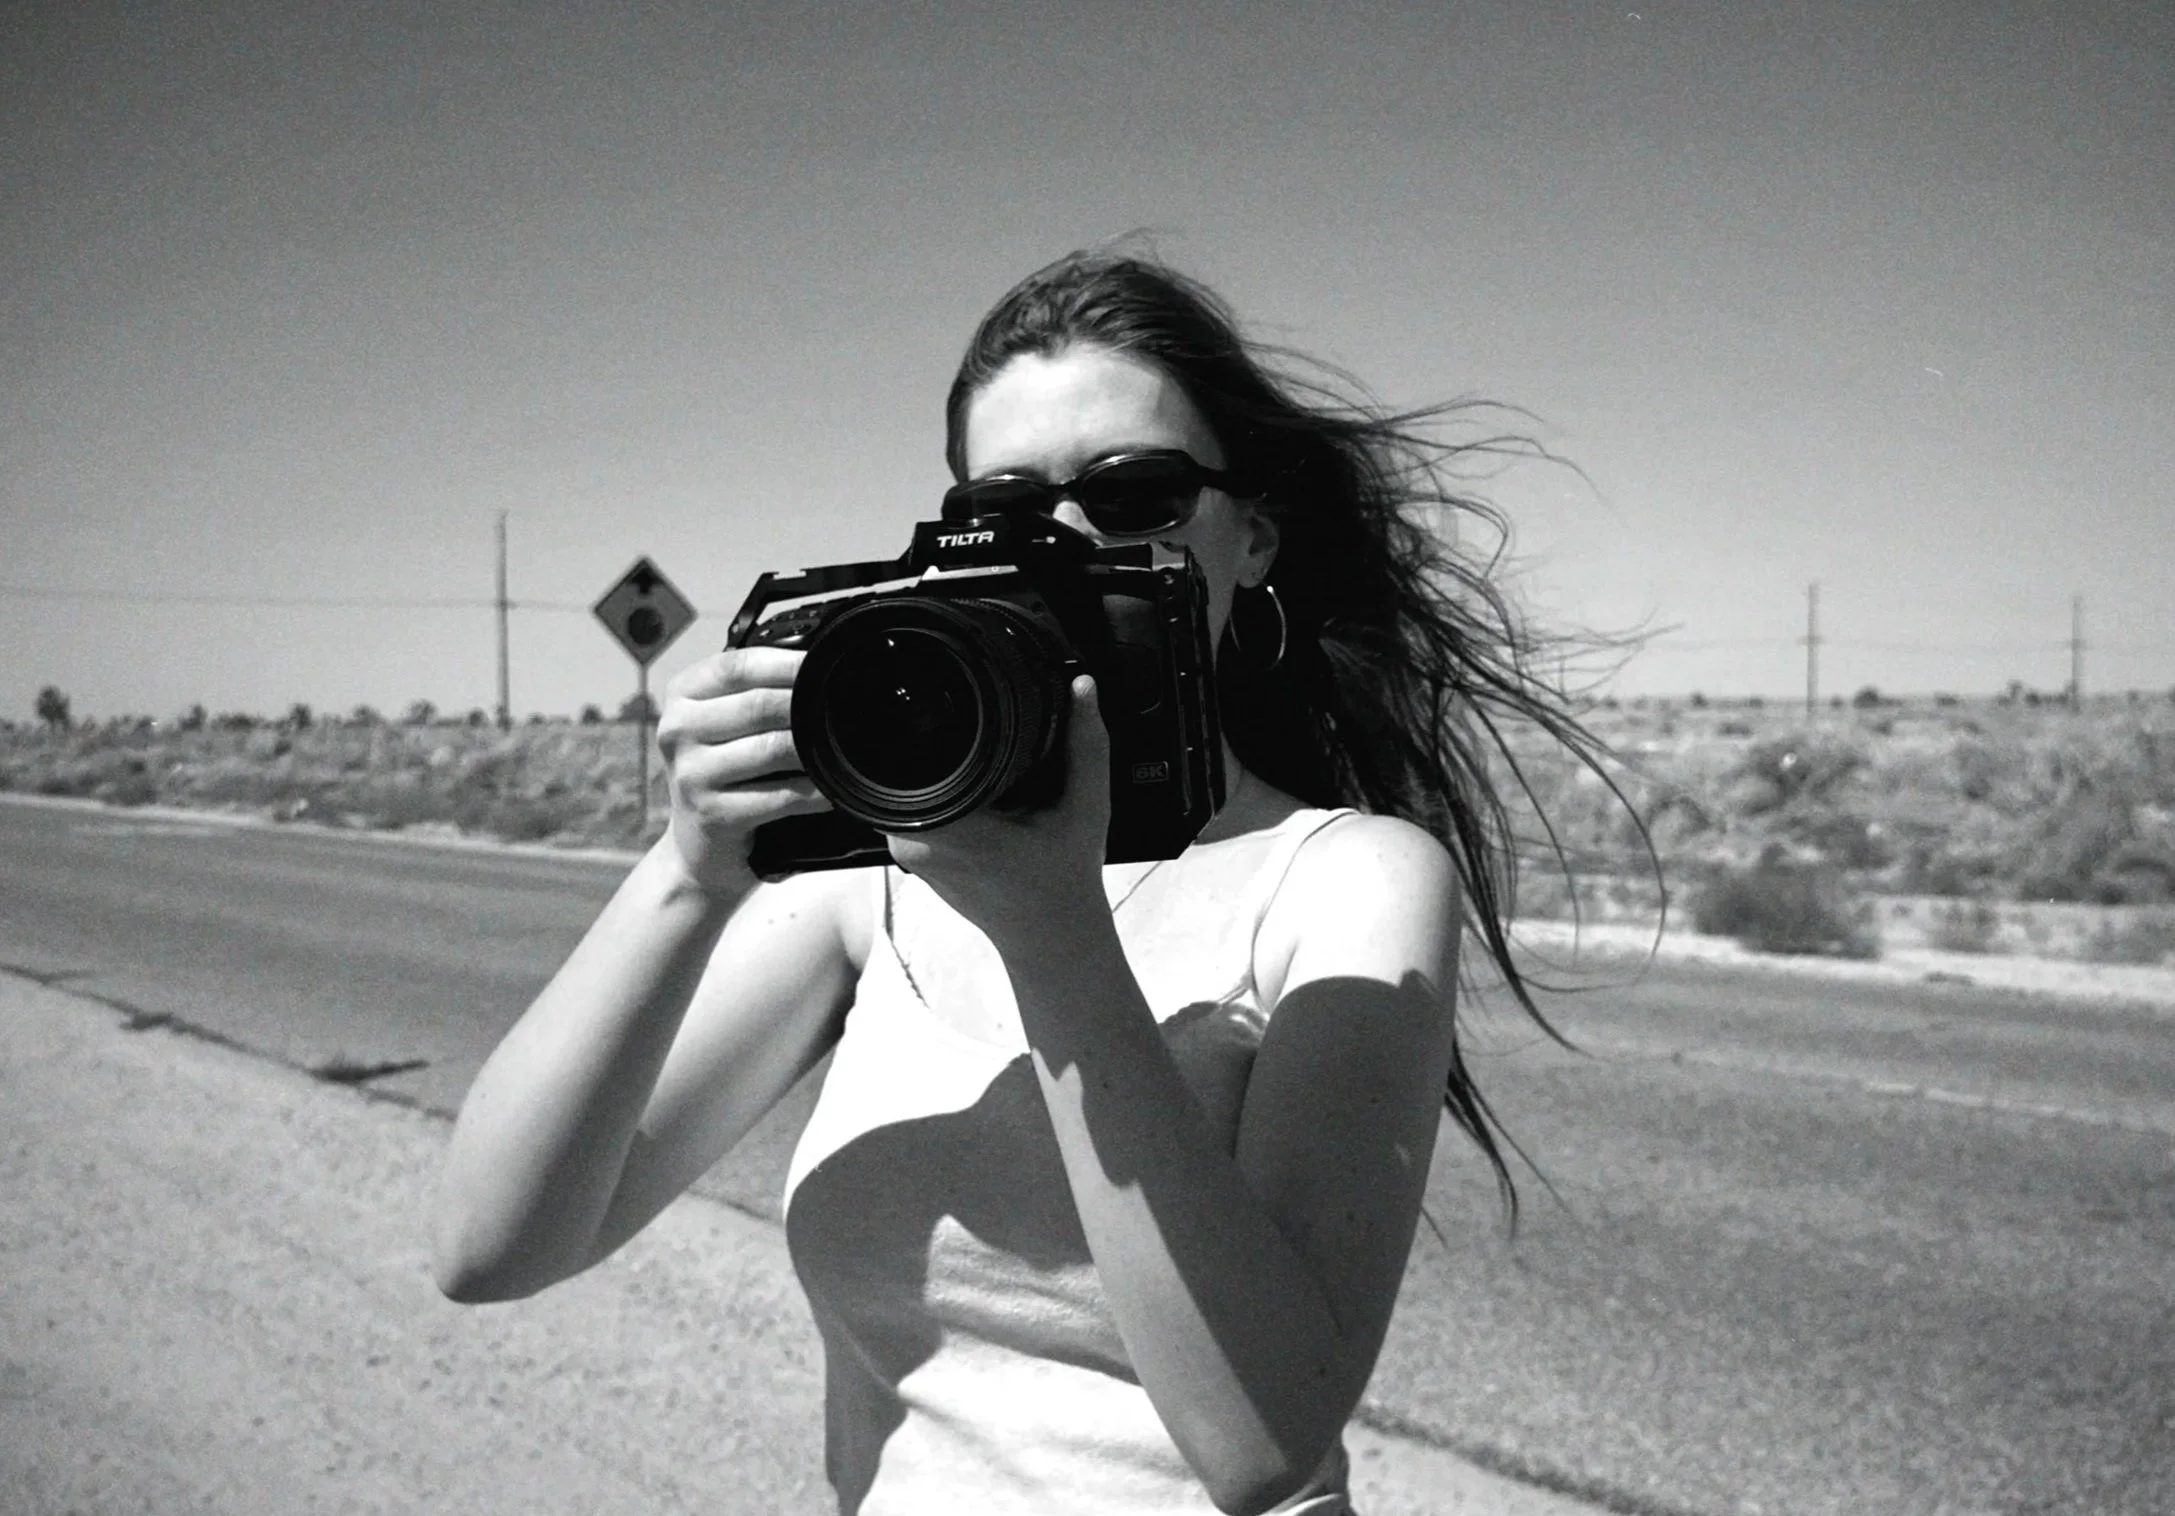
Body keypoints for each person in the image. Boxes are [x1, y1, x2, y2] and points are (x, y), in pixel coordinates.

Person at [434, 248, 1622, 1515]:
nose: (1055, 544)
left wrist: (1055, 942)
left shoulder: (1345, 883)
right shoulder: (875, 878)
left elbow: (1261, 1445)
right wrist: (687, 873)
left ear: (1253, 536)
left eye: (1133, 495)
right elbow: (490, 1249)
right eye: (1000, 506)